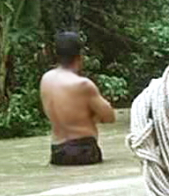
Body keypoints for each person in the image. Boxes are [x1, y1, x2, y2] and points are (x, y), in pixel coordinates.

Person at [40, 31, 116, 166]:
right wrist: (93, 116)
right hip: (83, 151)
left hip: (57, 152)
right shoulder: (83, 85)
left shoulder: (46, 79)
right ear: (80, 56)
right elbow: (109, 117)